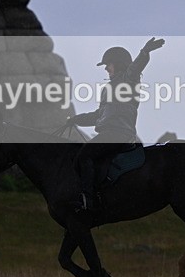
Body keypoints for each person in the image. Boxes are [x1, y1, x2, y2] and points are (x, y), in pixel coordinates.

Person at [66, 37, 165, 211]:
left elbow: (136, 67)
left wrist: (145, 52)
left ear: (118, 64)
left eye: (108, 64)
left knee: (84, 156)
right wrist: (76, 119)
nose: (105, 68)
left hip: (119, 133)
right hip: (107, 133)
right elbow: (98, 115)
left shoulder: (129, 80)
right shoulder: (107, 89)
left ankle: (88, 202)